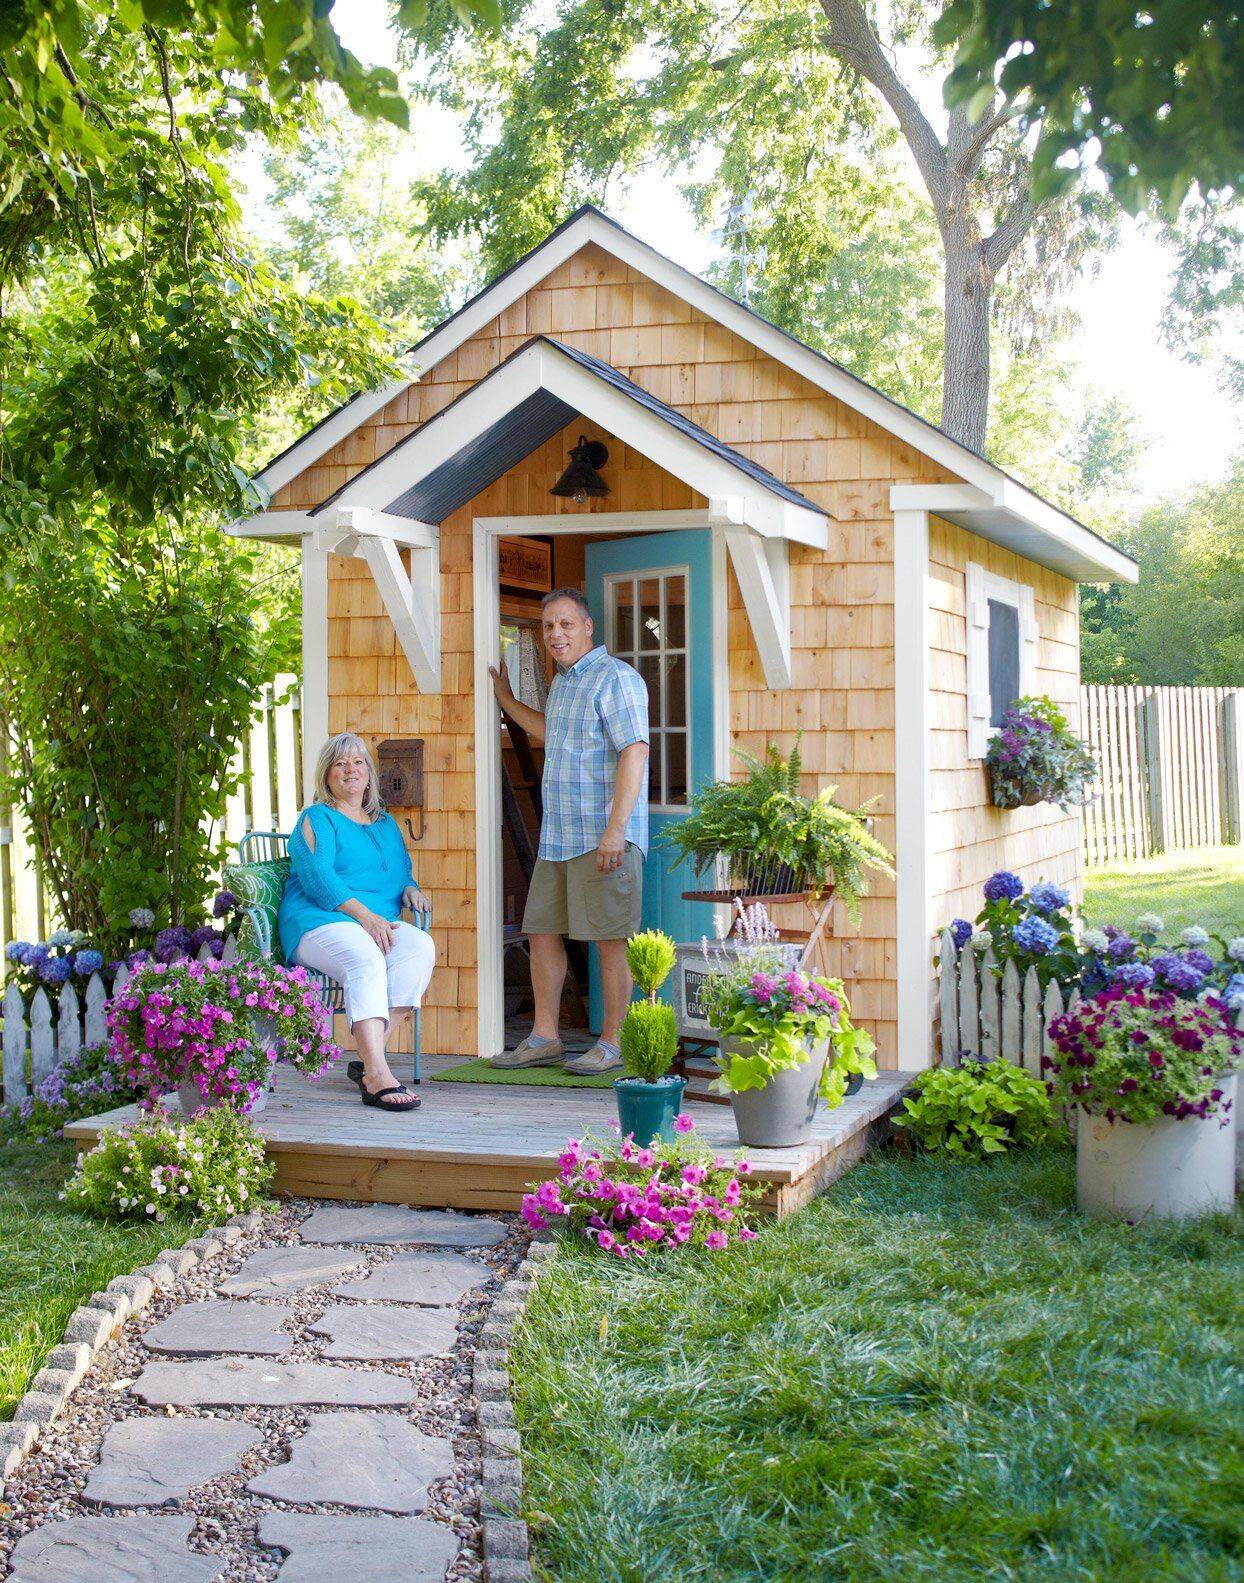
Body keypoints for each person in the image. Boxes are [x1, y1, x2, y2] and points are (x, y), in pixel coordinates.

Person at [490, 587, 649, 1075]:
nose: (555, 634)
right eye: (547, 627)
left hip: (602, 837)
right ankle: (544, 1037)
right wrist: (505, 699)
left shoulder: (616, 679)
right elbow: (547, 731)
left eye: (565, 624)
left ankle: (614, 1042)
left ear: (587, 627)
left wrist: (616, 832)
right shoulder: (564, 685)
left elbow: (635, 751)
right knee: (540, 932)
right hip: (558, 838)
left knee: (609, 938)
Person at [278, 733, 435, 1112]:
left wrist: (410, 889)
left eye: (358, 762)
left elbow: (400, 872)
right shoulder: (318, 818)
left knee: (419, 947)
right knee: (366, 959)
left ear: (369, 774)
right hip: (320, 920)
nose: (351, 770)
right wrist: (365, 916)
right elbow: (317, 878)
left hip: (374, 923)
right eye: (340, 763)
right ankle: (378, 1074)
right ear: (327, 776)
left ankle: (369, 1060)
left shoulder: (384, 824)